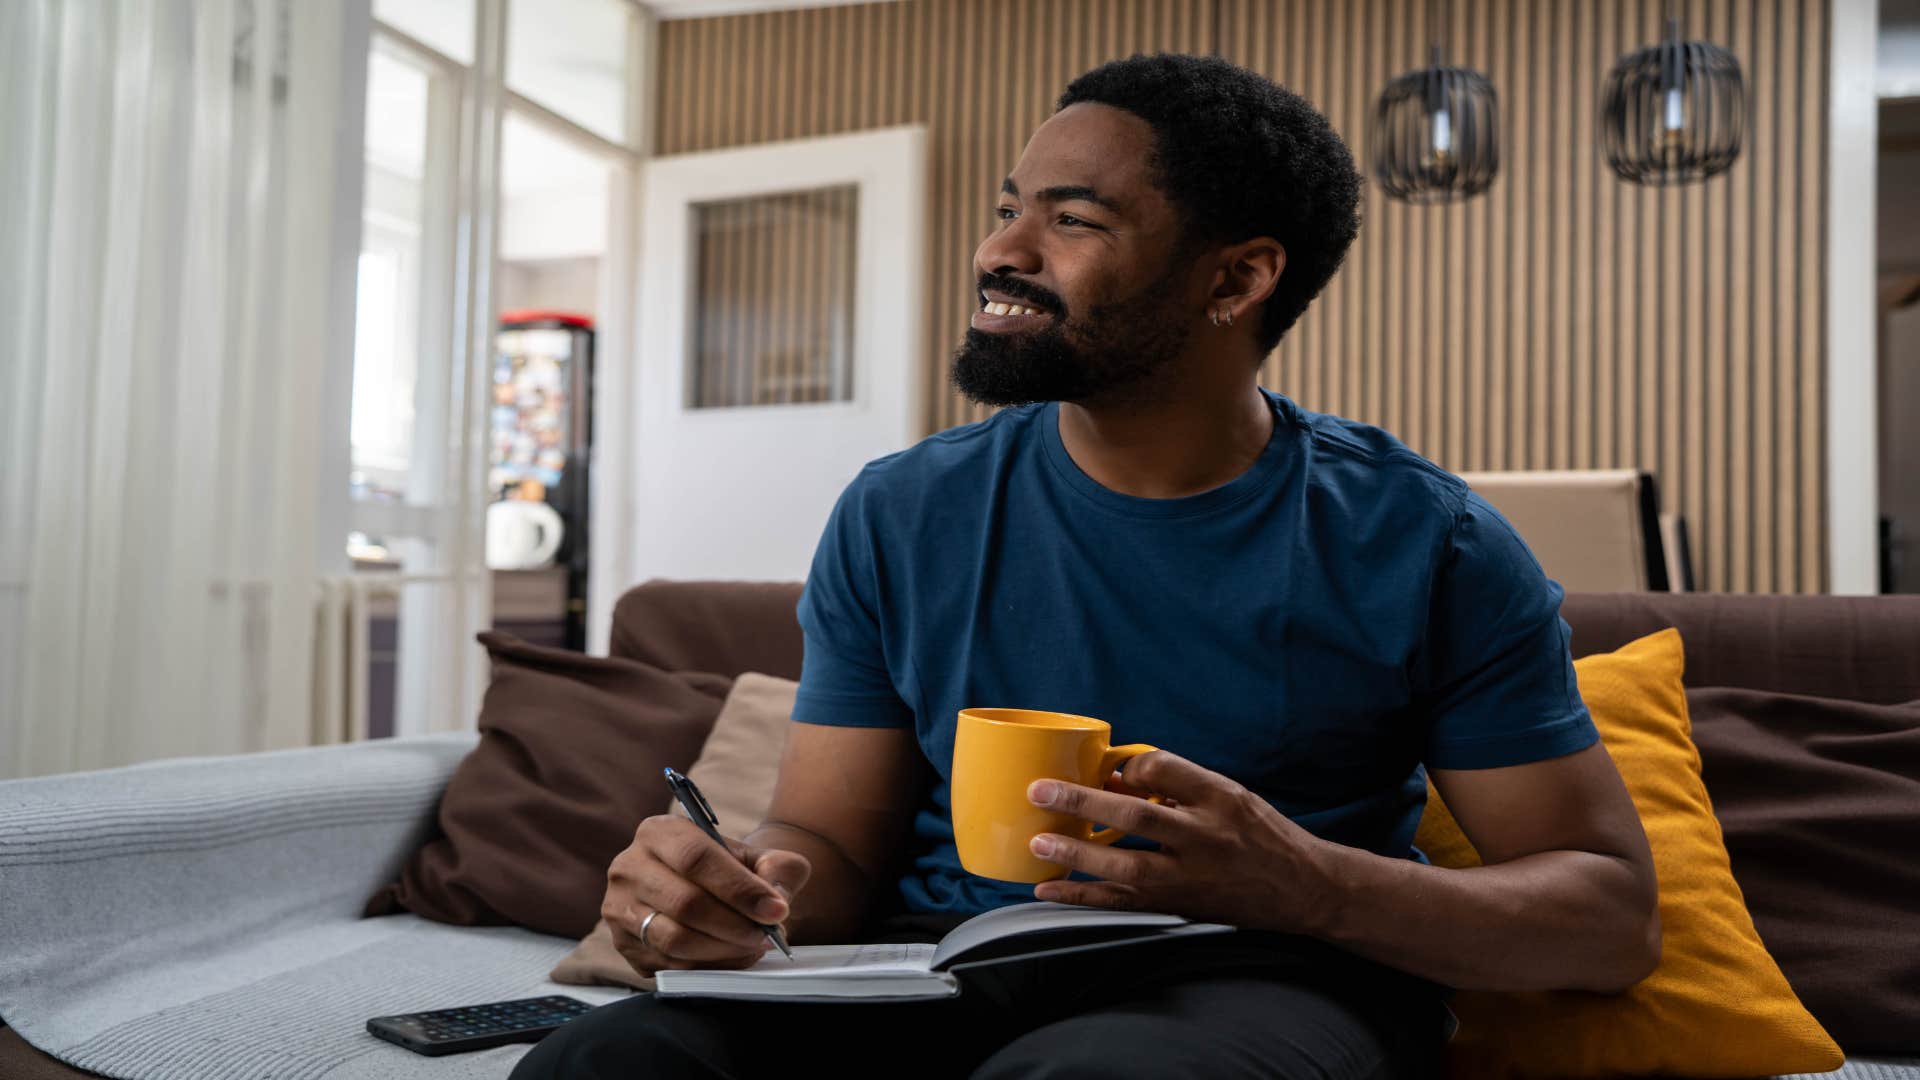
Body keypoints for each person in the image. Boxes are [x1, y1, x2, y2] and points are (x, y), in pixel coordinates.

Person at [513, 52, 1659, 1080]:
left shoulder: (1427, 540)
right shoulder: (903, 511)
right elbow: (833, 845)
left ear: (1233, 281)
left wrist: (1304, 883)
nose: (1000, 250)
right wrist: (736, 894)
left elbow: (1607, 919)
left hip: (1268, 977)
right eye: (1011, 208)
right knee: (610, 1062)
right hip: (936, 975)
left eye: (1073, 219)